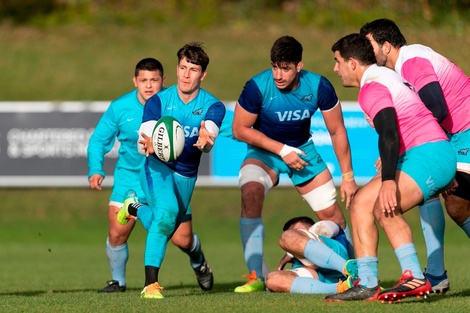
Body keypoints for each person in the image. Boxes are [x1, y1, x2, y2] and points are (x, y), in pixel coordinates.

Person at [326, 33, 456, 302]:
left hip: (429, 154)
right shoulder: (381, 78)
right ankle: (368, 283)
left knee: (384, 207)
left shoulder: (372, 86)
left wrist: (388, 180)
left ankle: (412, 276)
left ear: (352, 63)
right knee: (361, 202)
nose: (335, 68)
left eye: (337, 61)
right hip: (421, 153)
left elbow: (388, 133)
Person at [232, 35, 358, 293]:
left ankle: (355, 271)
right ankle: (256, 275)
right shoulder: (257, 87)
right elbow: (239, 129)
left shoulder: (319, 86)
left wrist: (347, 176)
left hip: (303, 151)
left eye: (286, 68)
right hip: (264, 150)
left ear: (299, 66)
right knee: (250, 192)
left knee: (333, 217)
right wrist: (281, 149)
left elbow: (337, 131)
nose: (278, 74)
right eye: (275, 66)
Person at [359, 18, 470, 293]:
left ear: (385, 46)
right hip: (456, 136)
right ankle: (435, 274)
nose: (365, 50)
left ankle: (434, 274)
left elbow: (437, 108)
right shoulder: (401, 68)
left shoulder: (411, 61)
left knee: (447, 194)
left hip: (466, 131)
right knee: (451, 202)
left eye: (368, 44)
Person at [117, 42, 225, 299]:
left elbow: (208, 137)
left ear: (203, 74)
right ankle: (150, 285)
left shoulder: (213, 106)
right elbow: (146, 134)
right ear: (176, 69)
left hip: (187, 175)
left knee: (181, 238)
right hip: (158, 168)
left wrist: (206, 139)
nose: (186, 75)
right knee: (166, 216)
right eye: (183, 67)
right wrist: (150, 141)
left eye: (193, 69)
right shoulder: (157, 102)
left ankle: (134, 208)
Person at [87, 58, 165, 293]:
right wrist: (95, 169)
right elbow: (98, 140)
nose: (149, 85)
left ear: (163, 81)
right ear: (135, 81)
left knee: (182, 238)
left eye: (154, 80)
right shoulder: (120, 107)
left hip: (162, 178)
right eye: (143, 80)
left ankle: (198, 261)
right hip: (129, 178)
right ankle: (118, 282)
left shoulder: (172, 103)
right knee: (116, 234)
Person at [266, 216, 358, 294]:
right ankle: (344, 287)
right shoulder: (297, 261)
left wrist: (290, 253)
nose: (297, 233)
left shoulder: (330, 231)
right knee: (273, 280)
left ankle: (349, 268)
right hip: (318, 274)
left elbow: (325, 227)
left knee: (287, 237)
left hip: (335, 254)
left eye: (299, 231)